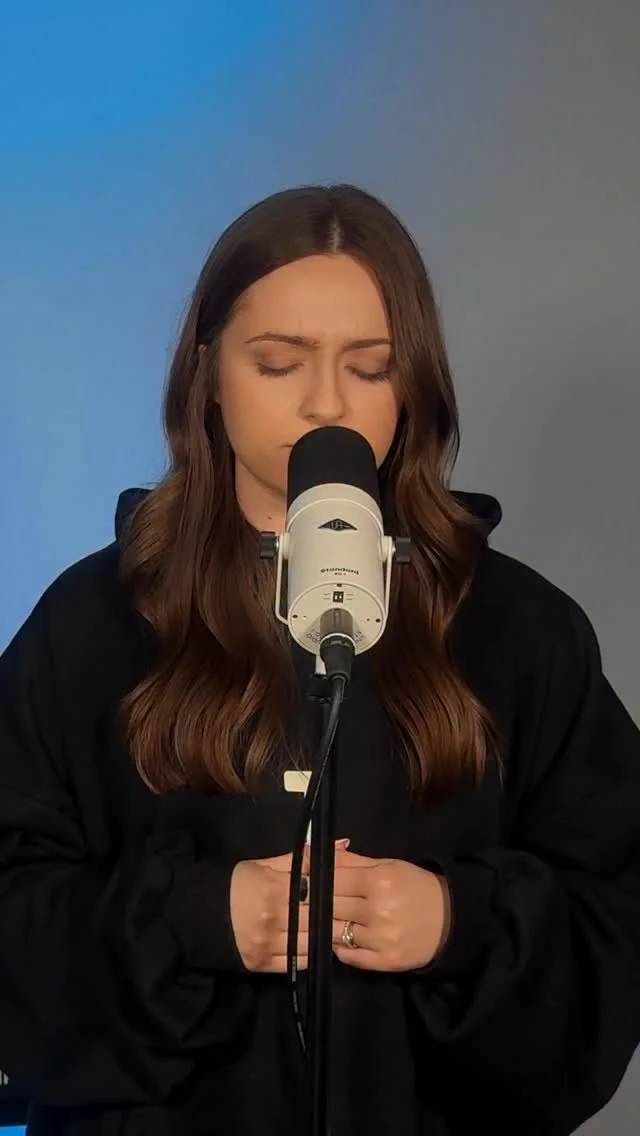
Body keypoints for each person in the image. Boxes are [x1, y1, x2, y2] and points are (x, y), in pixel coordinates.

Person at [0, 183, 639, 1136]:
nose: (327, 402)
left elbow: (614, 916)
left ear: (410, 384)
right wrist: (194, 918)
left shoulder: (517, 628)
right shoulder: (93, 623)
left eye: (370, 367)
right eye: (279, 362)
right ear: (209, 374)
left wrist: (457, 921)